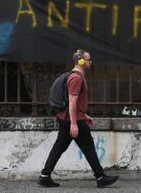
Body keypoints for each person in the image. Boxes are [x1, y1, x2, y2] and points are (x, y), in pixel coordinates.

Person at [38, 49, 119, 188]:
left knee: (59, 147)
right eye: (89, 59)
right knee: (88, 147)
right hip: (72, 120)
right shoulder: (76, 78)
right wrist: (74, 123)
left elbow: (76, 102)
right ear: (81, 61)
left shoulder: (76, 76)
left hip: (67, 118)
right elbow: (72, 101)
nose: (90, 62)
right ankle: (100, 177)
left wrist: (85, 115)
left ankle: (44, 176)